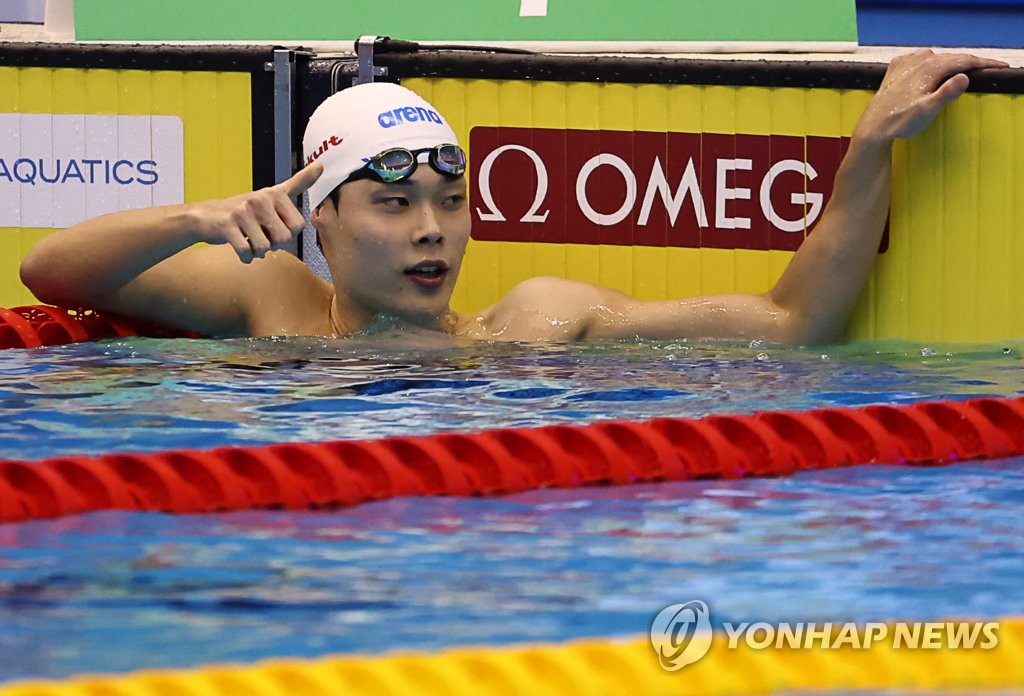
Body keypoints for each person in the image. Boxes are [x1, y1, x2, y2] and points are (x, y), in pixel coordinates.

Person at [19, 50, 1008, 344]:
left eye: (451, 199)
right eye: (395, 203)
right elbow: (48, 271)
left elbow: (791, 325)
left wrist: (869, 150)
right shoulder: (270, 302)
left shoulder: (533, 329)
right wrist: (195, 218)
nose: (432, 228)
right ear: (321, 218)